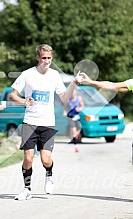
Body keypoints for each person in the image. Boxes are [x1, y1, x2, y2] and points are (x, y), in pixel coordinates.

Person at [10, 44, 82, 200]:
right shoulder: (27, 74)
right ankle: (27, 188)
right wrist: (24, 101)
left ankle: (49, 174)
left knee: (45, 159)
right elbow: (12, 95)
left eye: (49, 58)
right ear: (38, 57)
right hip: (30, 122)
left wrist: (74, 84)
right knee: (28, 158)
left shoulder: (55, 75)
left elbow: (64, 97)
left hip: (47, 123)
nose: (47, 61)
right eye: (44, 58)